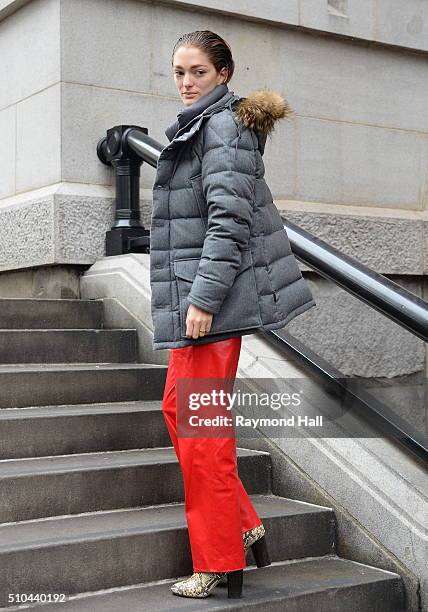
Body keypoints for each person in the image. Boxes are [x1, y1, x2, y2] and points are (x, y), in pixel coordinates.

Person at [150, 30, 316, 599]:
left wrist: (201, 300)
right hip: (195, 306)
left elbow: (229, 224)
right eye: (178, 71)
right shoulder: (204, 125)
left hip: (208, 309)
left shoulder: (223, 128)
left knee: (202, 438)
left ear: (224, 73)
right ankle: (242, 525)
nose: (186, 82)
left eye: (197, 71)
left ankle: (218, 560)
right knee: (180, 412)